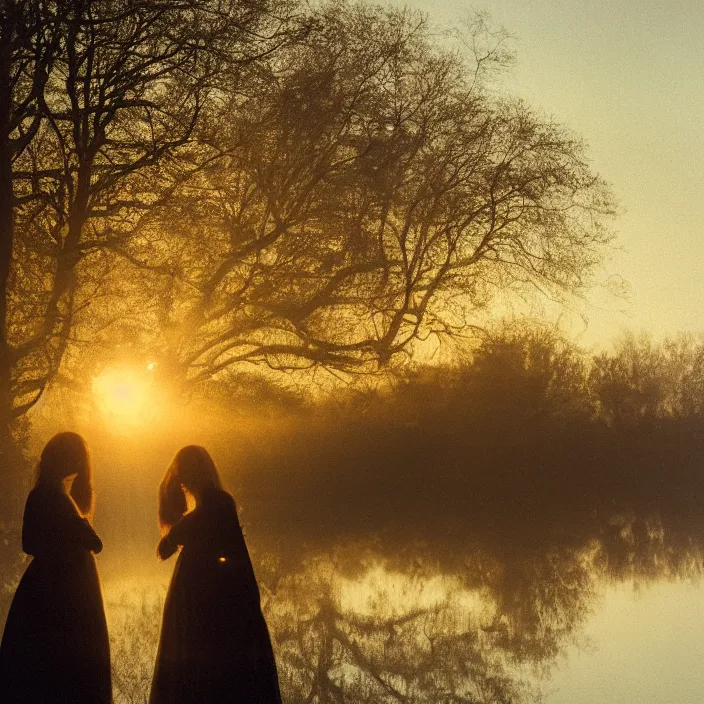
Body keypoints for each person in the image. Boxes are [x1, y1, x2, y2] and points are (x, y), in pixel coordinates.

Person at [150, 445, 281, 704]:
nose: (185, 480)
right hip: (205, 605)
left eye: (186, 474)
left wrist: (174, 532)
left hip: (218, 607)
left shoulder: (218, 503)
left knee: (213, 671)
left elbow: (170, 543)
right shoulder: (212, 506)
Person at [0, 431, 112, 704]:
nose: (80, 465)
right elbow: (33, 543)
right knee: (61, 664)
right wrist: (75, 529)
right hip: (58, 593)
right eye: (74, 457)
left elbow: (33, 542)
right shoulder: (49, 495)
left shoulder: (52, 494)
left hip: (54, 589)